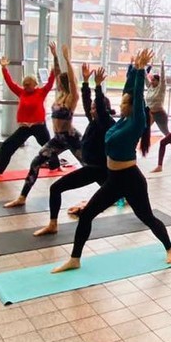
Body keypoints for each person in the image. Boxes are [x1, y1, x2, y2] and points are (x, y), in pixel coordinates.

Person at [53, 49, 171, 273]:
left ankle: (169, 248)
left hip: (131, 180)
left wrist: (140, 71)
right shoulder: (119, 122)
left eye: (124, 102)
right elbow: (129, 91)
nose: (120, 103)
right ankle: (75, 258)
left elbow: (136, 95)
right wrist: (132, 68)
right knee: (87, 215)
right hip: (113, 179)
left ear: (130, 106)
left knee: (146, 217)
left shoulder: (135, 123)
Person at [33, 64, 113, 236]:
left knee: (137, 207)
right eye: (91, 108)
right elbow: (86, 103)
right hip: (91, 170)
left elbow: (99, 106)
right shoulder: (93, 121)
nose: (91, 110)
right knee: (56, 188)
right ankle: (53, 224)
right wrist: (85, 82)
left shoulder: (106, 123)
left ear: (103, 110)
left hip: (101, 170)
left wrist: (98, 86)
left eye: (95, 108)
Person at [5, 45, 80, 208]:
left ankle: (116, 194)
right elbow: (59, 74)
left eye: (60, 81)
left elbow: (72, 81)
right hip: (58, 139)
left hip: (72, 138)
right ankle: (22, 197)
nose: (57, 82)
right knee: (36, 162)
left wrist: (67, 59)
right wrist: (55, 56)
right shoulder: (59, 95)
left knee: (92, 167)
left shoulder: (71, 98)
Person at [0, 45, 56, 177]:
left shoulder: (41, 92)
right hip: (24, 127)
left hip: (39, 126)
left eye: (28, 85)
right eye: (24, 85)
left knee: (49, 147)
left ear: (34, 84)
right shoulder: (21, 92)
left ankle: (55, 167)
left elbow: (51, 81)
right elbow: (10, 83)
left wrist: (54, 59)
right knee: (7, 146)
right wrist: (3, 68)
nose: (25, 87)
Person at [143, 59, 171, 152]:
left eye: (153, 80)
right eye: (151, 80)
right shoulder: (150, 87)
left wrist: (162, 64)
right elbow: (144, 76)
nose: (151, 82)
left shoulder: (161, 88)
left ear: (158, 81)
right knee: (143, 129)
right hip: (150, 114)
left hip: (160, 114)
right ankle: (143, 147)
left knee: (166, 132)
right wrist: (145, 65)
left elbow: (163, 78)